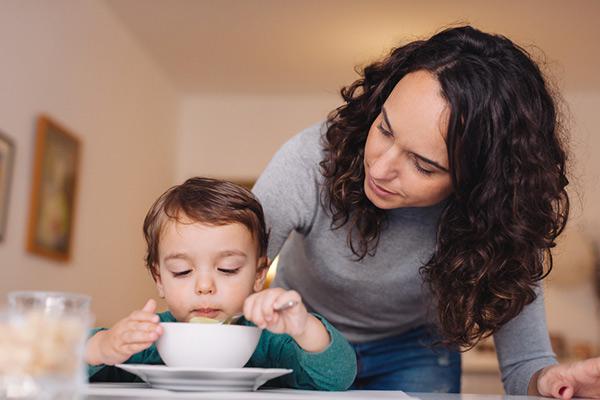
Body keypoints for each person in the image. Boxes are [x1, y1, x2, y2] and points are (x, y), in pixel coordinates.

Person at [253, 25, 600, 399]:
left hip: (414, 352)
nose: (380, 168)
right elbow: (230, 279)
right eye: (384, 129)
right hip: (300, 333)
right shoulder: (309, 161)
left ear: (479, 184)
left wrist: (550, 383)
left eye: (423, 165)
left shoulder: (505, 221)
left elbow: (524, 370)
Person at [84, 177, 357, 390]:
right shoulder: (147, 339)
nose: (204, 286)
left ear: (259, 275)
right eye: (182, 271)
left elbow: (338, 378)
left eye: (228, 269)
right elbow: (56, 365)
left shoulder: (270, 342)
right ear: (159, 279)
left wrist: (304, 328)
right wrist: (101, 347)